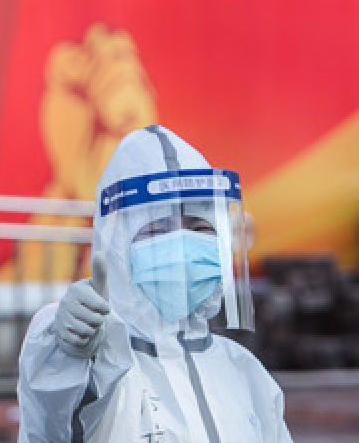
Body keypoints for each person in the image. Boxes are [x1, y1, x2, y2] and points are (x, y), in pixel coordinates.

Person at [17, 124, 293, 442]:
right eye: (158, 230)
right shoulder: (101, 367)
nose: (182, 246)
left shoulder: (245, 373)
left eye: (199, 229)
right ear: (118, 248)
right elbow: (54, 423)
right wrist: (69, 356)